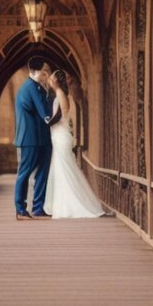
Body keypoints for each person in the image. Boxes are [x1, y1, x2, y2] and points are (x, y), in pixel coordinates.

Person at [44, 70, 105, 219]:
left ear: (57, 81)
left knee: (65, 169)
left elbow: (59, 116)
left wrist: (45, 121)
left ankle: (73, 204)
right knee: (61, 169)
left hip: (61, 136)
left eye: (51, 78)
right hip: (58, 136)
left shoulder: (61, 95)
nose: (50, 80)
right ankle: (64, 203)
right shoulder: (59, 94)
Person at [13, 57, 61, 220]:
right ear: (35, 71)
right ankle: (20, 208)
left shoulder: (39, 87)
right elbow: (45, 113)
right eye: (45, 71)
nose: (47, 74)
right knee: (24, 173)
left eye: (48, 71)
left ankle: (38, 207)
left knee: (43, 173)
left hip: (43, 139)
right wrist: (55, 116)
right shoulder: (30, 87)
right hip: (29, 139)